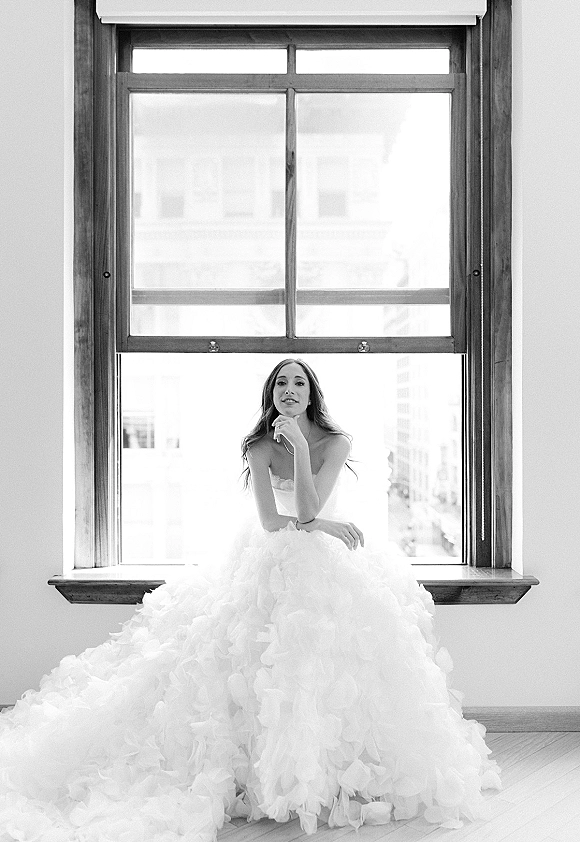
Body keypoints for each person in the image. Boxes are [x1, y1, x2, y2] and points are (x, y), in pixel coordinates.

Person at [0, 358, 502, 842]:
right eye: (280, 383)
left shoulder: (337, 441)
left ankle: (332, 773)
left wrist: (303, 456)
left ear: (311, 394)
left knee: (334, 666)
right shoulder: (260, 446)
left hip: (332, 567)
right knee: (254, 667)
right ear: (271, 394)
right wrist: (321, 525)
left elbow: (308, 504)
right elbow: (275, 522)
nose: (289, 391)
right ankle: (256, 771)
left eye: (298, 384)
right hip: (275, 555)